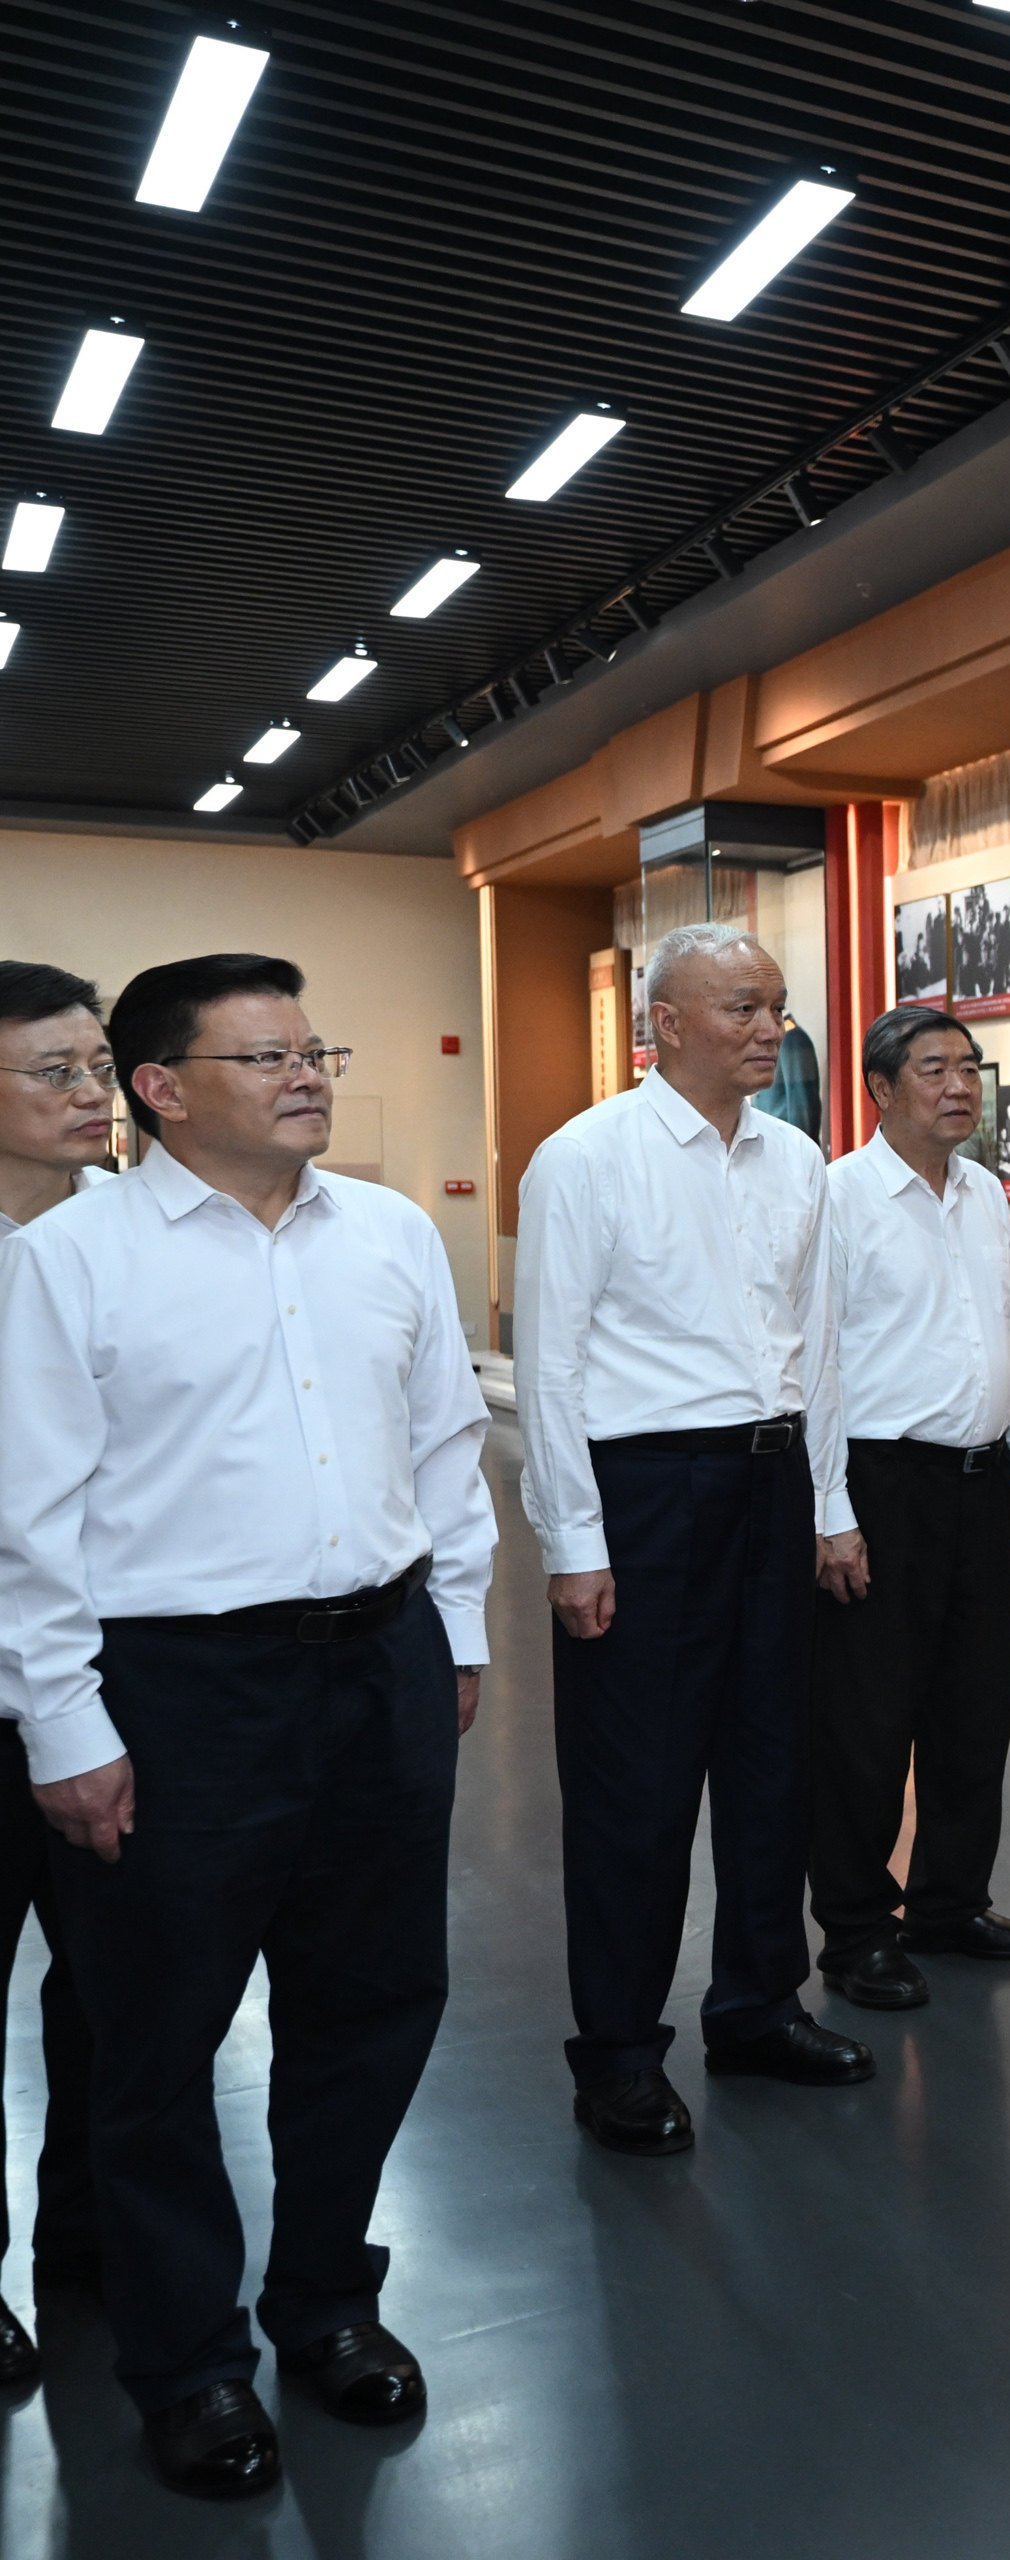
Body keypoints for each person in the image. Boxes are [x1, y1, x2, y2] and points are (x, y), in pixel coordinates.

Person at [0, 954, 491, 2497]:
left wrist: (455, 1635)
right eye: (266, 1054)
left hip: (378, 1665)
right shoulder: (73, 1260)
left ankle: (329, 2302)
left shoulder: (393, 1236)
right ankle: (189, 2361)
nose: (308, 1075)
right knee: (157, 2039)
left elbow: (447, 1450)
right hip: (179, 1686)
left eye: (316, 1047)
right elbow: (31, 1516)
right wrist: (66, 1724)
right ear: (160, 1089)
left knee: (373, 2003)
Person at [517, 922, 871, 2160]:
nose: (770, 1029)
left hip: (773, 1487)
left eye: (775, 1007)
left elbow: (814, 1351)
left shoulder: (795, 1162)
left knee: (775, 1764)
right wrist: (573, 1537)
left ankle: (758, 2005)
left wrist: (830, 1508)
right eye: (741, 1008)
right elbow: (548, 1363)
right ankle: (617, 2052)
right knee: (637, 1785)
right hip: (647, 1492)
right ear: (665, 1023)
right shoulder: (586, 1158)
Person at [807, 1007, 1010, 2015]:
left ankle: (950, 1905)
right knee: (868, 1719)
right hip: (881, 1484)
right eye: (933, 1069)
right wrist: (828, 1509)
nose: (959, 1086)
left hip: (979, 1478)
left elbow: (1007, 1328)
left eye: (969, 1068)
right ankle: (858, 1930)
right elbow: (813, 1363)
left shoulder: (988, 1193)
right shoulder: (838, 1200)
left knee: (973, 1708)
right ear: (879, 1087)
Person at [0, 960, 113, 2382]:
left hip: (109, 1682)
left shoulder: (123, 1241)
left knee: (113, 1991)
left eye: (99, 1067)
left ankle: (88, 2243)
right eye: (55, 1073)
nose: (94, 1095)